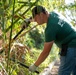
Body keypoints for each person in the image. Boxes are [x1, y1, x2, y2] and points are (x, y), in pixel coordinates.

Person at [29, 5, 76, 75]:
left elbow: (46, 52)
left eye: (35, 18)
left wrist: (35, 65)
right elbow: (39, 18)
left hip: (71, 46)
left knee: (63, 72)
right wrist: (29, 20)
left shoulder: (50, 28)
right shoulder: (54, 14)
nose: (35, 20)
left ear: (41, 15)